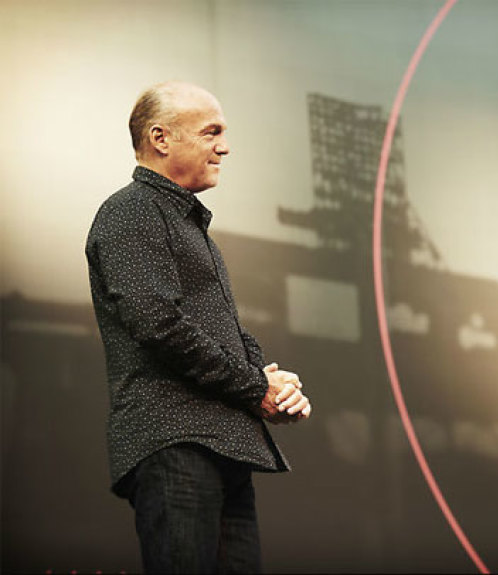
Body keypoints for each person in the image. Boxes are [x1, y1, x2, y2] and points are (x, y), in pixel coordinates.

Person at [85, 81, 311, 573]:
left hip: (217, 445)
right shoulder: (131, 211)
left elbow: (219, 327)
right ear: (161, 139)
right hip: (177, 444)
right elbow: (159, 324)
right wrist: (257, 387)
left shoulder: (183, 222)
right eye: (211, 132)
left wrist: (273, 383)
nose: (224, 146)